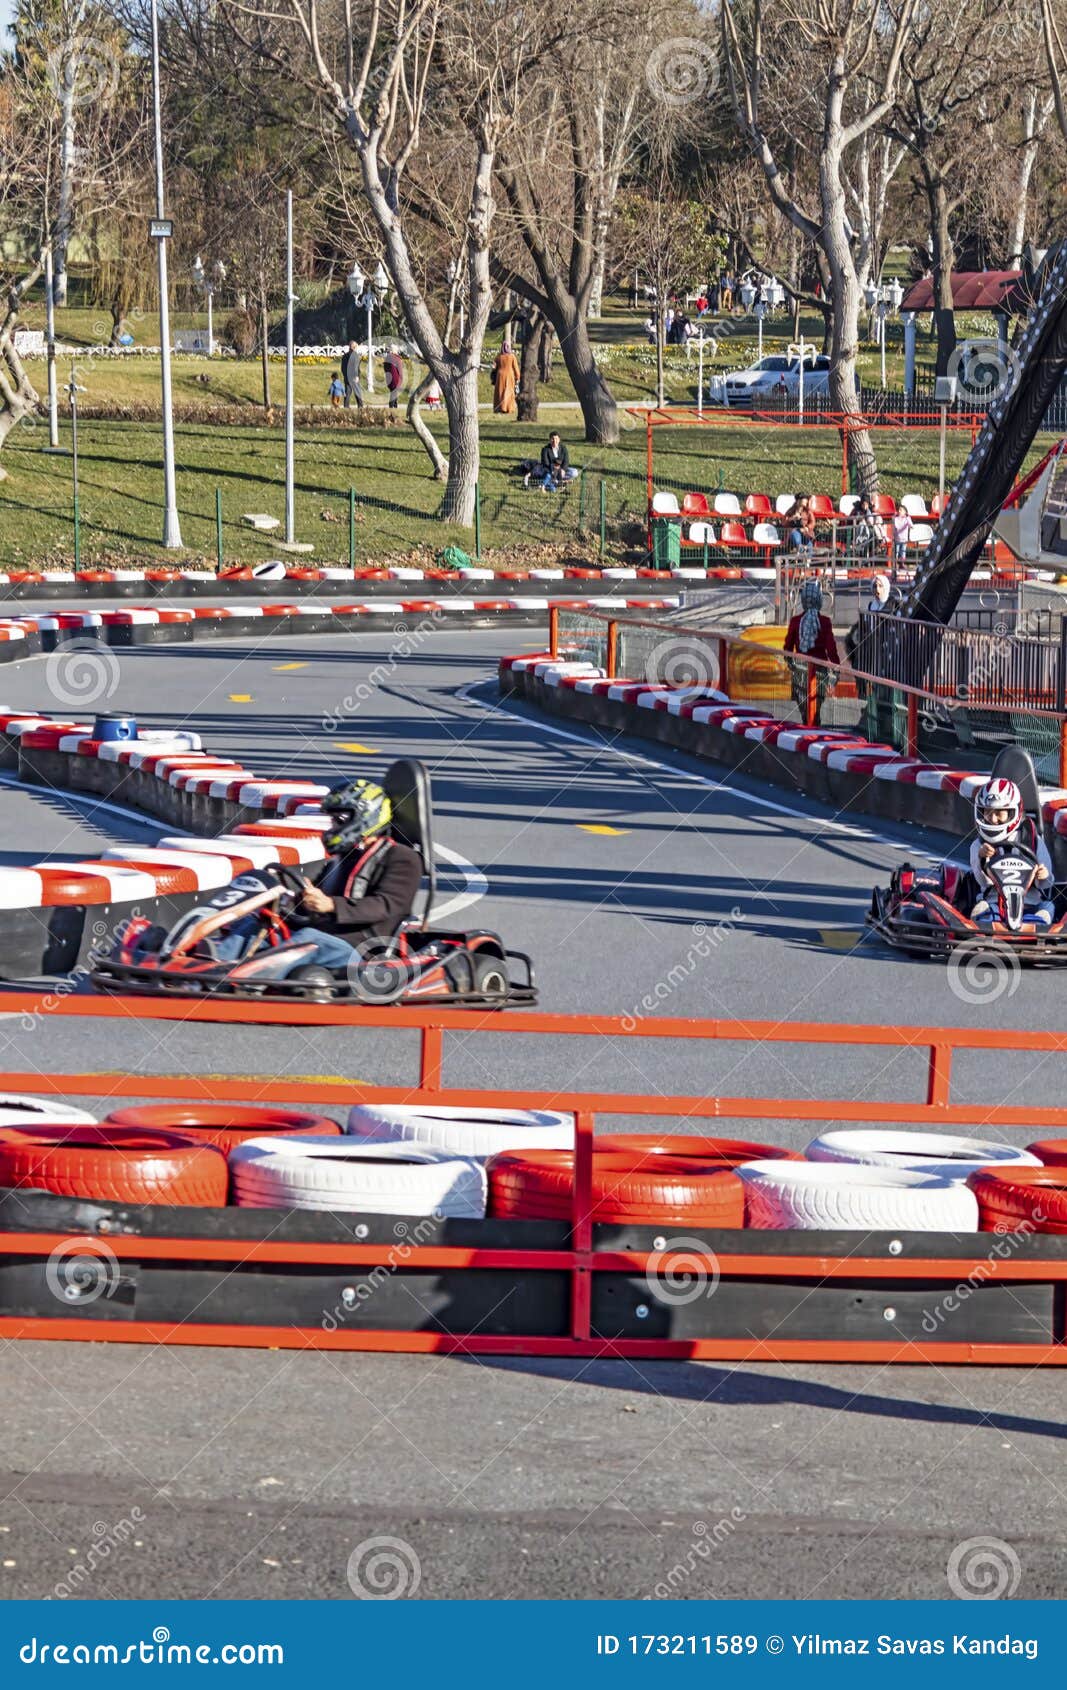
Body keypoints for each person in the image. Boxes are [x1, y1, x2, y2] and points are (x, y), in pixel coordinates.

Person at [281, 779, 423, 971]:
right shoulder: (347, 857)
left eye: (339, 821)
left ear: (365, 816)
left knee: (307, 940)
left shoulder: (403, 858)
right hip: (324, 935)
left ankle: (249, 985)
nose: (332, 828)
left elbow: (385, 905)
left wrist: (331, 905)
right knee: (258, 924)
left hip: (363, 950)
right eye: (333, 821)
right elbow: (310, 889)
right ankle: (228, 968)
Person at [969, 778, 1055, 929]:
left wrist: (1043, 875)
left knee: (1048, 906)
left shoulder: (1033, 840)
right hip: (994, 902)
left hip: (1030, 904)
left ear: (1012, 812)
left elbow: (1047, 884)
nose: (993, 819)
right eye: (988, 813)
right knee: (984, 907)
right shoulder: (978, 845)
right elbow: (981, 882)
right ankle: (988, 920)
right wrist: (981, 858)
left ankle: (1036, 924)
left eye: (999, 814)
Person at [784, 579, 839, 725]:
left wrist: (792, 666)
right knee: (815, 710)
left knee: (805, 713)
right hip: (820, 673)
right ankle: (814, 733)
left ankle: (807, 733)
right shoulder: (825, 622)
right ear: (819, 600)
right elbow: (832, 651)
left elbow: (787, 648)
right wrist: (835, 675)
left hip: (800, 673)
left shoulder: (795, 621)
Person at [492, 342, 520, 415]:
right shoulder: (512, 356)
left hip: (500, 376)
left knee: (500, 392)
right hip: (510, 375)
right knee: (508, 391)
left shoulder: (499, 356)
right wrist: (517, 376)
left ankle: (499, 408)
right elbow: (515, 368)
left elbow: (494, 366)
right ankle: (508, 408)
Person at [340, 341, 363, 409]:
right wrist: (357, 376)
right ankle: (360, 407)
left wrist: (346, 376)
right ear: (354, 347)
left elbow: (343, 368)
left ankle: (346, 407)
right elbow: (355, 367)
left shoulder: (345, 356)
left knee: (347, 394)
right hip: (354, 378)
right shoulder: (355, 355)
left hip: (347, 378)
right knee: (357, 393)